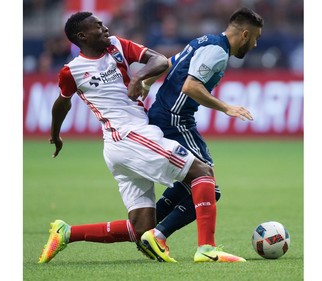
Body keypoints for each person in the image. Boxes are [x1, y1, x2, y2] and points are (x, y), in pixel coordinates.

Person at [38, 11, 248, 264]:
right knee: (202, 172)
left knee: (141, 229)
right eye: (98, 26)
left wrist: (139, 77)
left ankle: (66, 233)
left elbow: (159, 61)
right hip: (129, 135)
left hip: (121, 146)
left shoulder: (116, 46)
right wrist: (55, 134)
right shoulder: (71, 71)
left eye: (103, 24)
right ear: (82, 36)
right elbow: (62, 103)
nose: (105, 29)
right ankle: (206, 248)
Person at [140, 7, 263, 255]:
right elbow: (191, 86)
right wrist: (226, 107)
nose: (255, 45)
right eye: (256, 39)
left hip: (169, 116)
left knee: (192, 183)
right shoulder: (217, 51)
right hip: (174, 120)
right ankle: (163, 237)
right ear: (246, 34)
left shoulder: (204, 41)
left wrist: (147, 81)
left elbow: (167, 62)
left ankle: (146, 230)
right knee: (209, 187)